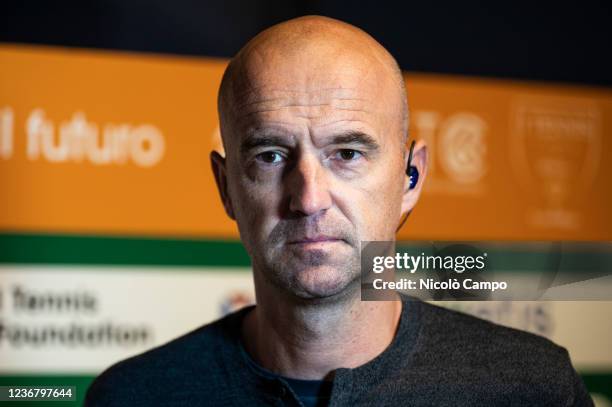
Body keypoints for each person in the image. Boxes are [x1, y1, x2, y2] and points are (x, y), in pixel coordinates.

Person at [85, 15, 592, 406]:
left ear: (410, 178)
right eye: (270, 156)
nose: (308, 198)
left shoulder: (532, 388)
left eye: (346, 154)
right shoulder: (135, 395)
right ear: (226, 187)